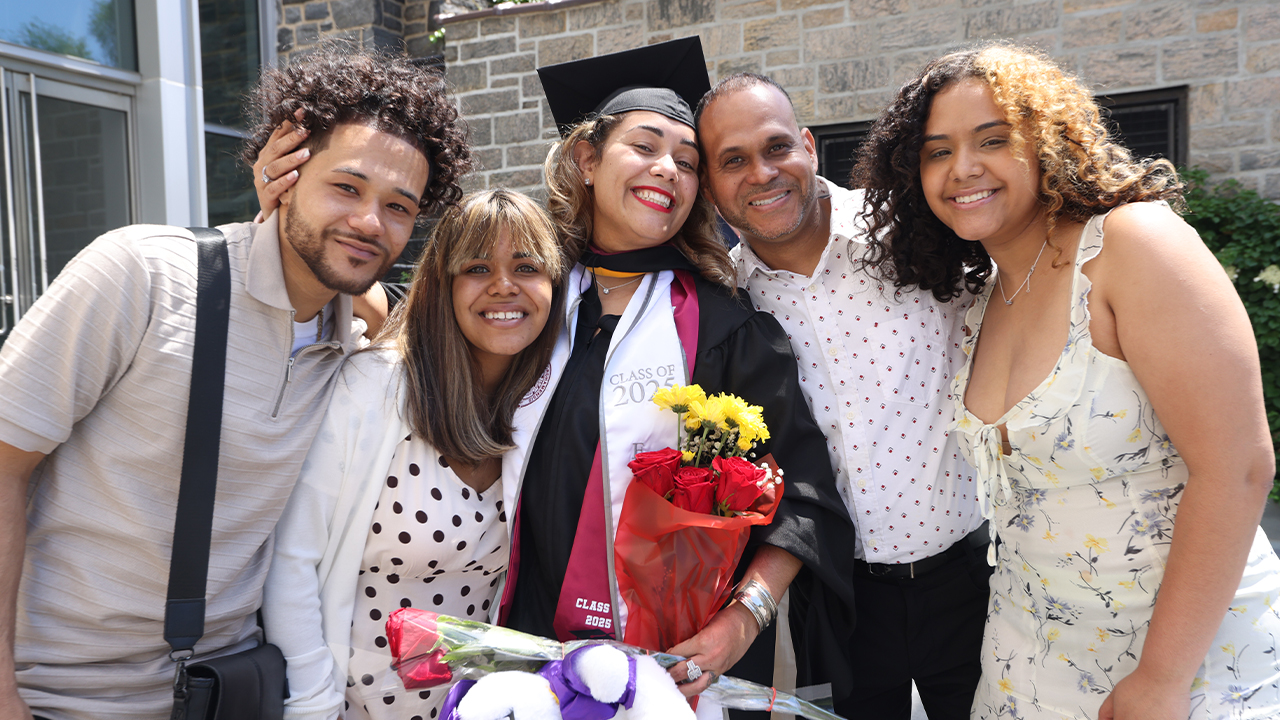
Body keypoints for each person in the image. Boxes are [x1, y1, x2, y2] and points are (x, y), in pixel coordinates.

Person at [0, 46, 471, 720]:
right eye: (346, 187)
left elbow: (397, 317)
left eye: (398, 207)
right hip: (59, 696)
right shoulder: (144, 277)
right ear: (285, 170)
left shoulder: (357, 345)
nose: (370, 222)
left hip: (229, 694)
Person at [854, 43, 1280, 720]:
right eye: (936, 151)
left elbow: (1239, 468)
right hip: (1029, 660)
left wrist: (1163, 681)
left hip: (1183, 660)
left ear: (1048, 142)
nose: (962, 168)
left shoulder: (1132, 247)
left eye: (992, 139)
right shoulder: (981, 299)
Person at [508, 38, 855, 718]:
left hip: (680, 671)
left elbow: (805, 501)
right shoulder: (524, 306)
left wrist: (739, 626)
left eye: (688, 161)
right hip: (523, 653)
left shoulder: (722, 326)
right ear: (586, 158)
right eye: (644, 146)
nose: (667, 168)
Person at [694, 73, 989, 719]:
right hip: (839, 601)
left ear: (808, 146)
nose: (761, 173)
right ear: (711, 184)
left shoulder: (915, 235)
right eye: (732, 161)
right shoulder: (725, 308)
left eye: (776, 148)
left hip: (976, 579)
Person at [262, 189, 565, 720]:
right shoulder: (376, 386)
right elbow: (292, 561)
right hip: (345, 704)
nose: (503, 285)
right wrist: (312, 704)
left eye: (526, 266)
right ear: (442, 286)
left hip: (470, 706)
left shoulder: (542, 408)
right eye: (476, 266)